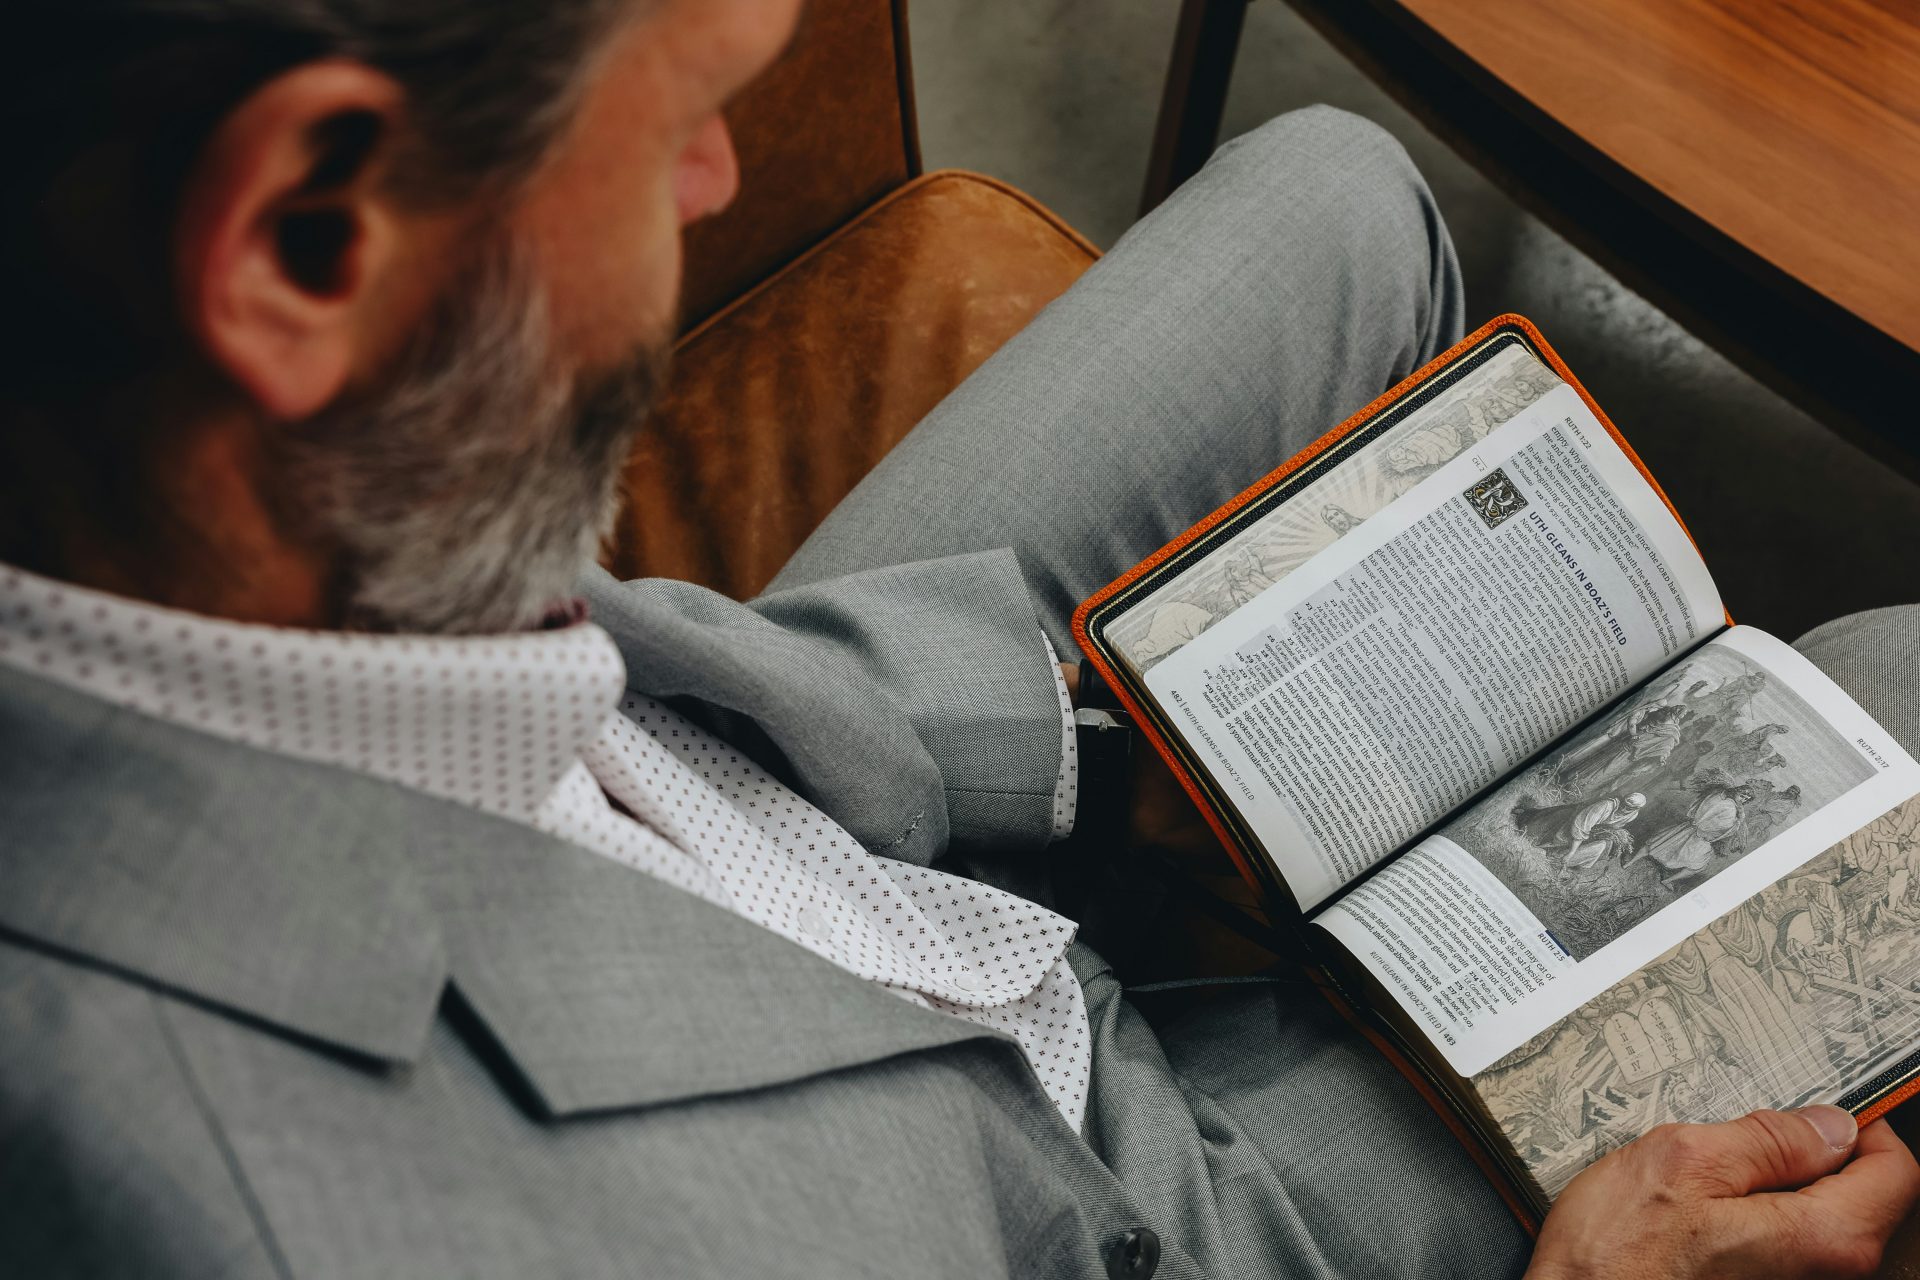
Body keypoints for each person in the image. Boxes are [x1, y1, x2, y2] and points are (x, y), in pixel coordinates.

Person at [2, 1, 1917, 1277]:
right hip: (1127, 1200)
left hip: (835, 791)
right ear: (309, 242)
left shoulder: (194, 522)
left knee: (1337, 197)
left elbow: (598, 702)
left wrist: (1087, 738)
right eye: (668, 121)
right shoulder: (266, 1212)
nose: (720, 185)